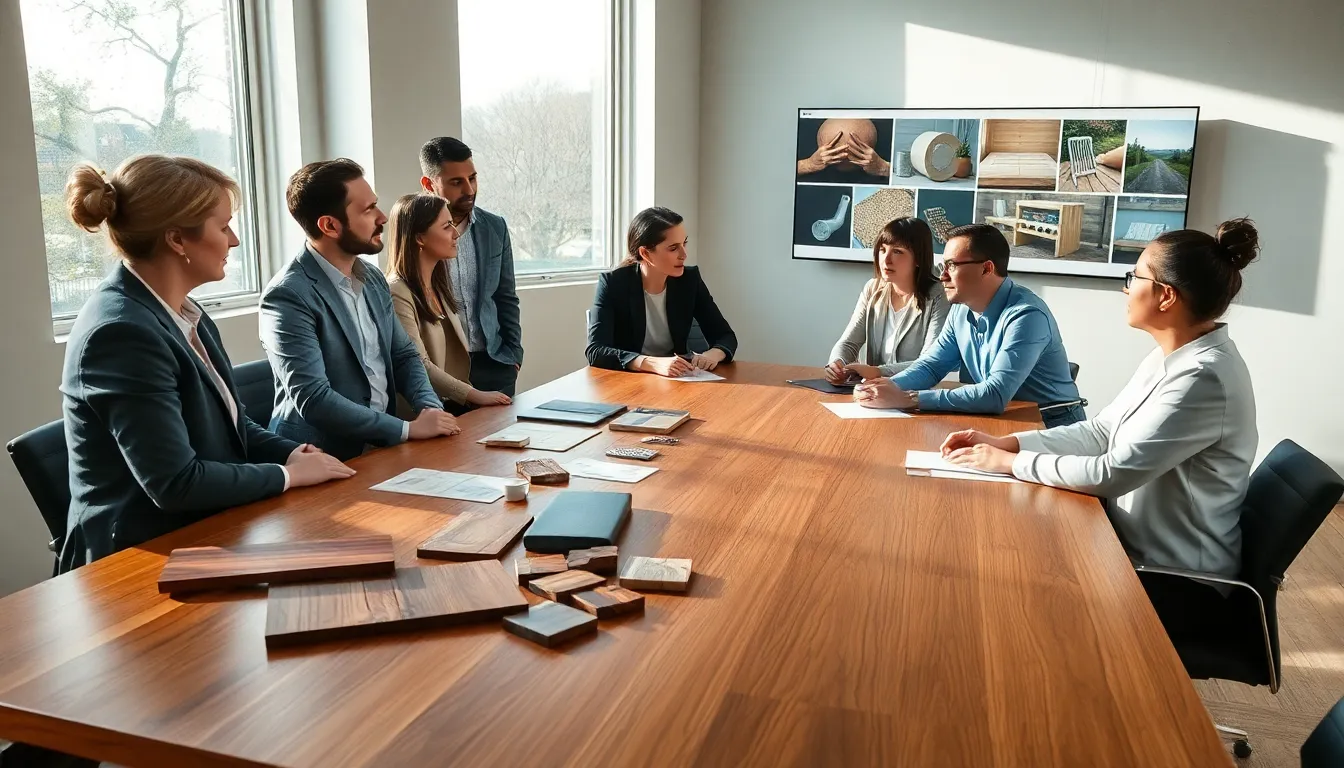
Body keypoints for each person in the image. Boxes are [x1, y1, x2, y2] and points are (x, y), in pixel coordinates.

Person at [939, 219, 1261, 640]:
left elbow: (1112, 473)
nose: (1125, 288)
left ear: (1166, 296)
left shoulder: (1204, 378)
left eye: (1135, 277)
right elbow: (1100, 433)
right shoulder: (1172, 358)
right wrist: (1011, 441)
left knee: (1012, 600)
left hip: (1175, 581)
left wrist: (1010, 462)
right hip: (1128, 547)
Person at [56, 155, 355, 576]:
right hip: (136, 564)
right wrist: (287, 476)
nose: (233, 241)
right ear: (177, 240)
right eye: (223, 226)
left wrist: (294, 453)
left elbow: (231, 424)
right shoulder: (121, 334)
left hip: (204, 533)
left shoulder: (184, 311)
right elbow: (175, 484)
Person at [260, 159, 460, 462]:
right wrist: (406, 430)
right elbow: (314, 399)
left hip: (380, 449)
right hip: (321, 458)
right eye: (368, 210)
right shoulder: (287, 295)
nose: (383, 218)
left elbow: (404, 355)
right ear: (329, 225)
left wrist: (430, 407)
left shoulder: (372, 277)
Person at [854, 223, 1084, 428]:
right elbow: (931, 367)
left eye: (951, 266)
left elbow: (994, 394)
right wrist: (884, 388)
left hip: (1052, 425)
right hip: (1002, 419)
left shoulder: (1026, 316)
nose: (942, 276)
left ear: (986, 269)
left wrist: (908, 398)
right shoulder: (961, 309)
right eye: (943, 266)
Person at [385, 193, 511, 413]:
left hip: (451, 407)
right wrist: (475, 396)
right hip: (422, 415)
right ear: (420, 238)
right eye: (446, 227)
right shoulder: (397, 292)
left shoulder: (439, 286)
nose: (455, 234)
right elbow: (418, 365)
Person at [418, 137, 524, 396]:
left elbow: (505, 295)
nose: (469, 189)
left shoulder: (495, 227)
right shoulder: (415, 232)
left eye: (473, 178)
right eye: (456, 182)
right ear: (429, 184)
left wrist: (514, 354)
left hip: (495, 361)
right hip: (443, 367)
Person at [586, 207, 737, 376]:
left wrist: (713, 354)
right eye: (673, 248)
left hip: (678, 380)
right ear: (645, 253)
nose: (684, 254)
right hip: (629, 382)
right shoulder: (613, 284)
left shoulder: (690, 280)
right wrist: (651, 363)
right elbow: (596, 351)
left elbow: (725, 336)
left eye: (684, 243)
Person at [824, 217, 950, 383]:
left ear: (918, 258)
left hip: (916, 394)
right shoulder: (873, 288)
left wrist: (877, 372)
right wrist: (837, 365)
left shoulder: (939, 295)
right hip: (873, 392)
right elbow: (848, 344)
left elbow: (929, 362)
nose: (886, 259)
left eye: (897, 251)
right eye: (882, 250)